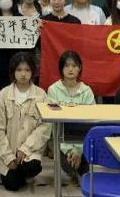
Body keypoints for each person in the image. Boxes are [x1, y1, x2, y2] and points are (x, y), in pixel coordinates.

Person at [0, 52, 51, 191]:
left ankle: (25, 172)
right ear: (13, 72)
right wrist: (8, 157)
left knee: (32, 167)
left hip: (30, 152)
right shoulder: (3, 95)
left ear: (33, 71)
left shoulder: (41, 95)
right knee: (12, 185)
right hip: (8, 152)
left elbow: (45, 127)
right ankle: (16, 173)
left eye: (27, 70)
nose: (23, 74)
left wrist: (26, 148)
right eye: (19, 70)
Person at [46, 51, 94, 182]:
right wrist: (68, 150)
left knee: (84, 171)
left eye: (74, 65)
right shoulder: (53, 90)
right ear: (61, 69)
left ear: (79, 68)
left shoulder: (87, 91)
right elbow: (52, 123)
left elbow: (90, 123)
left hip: (82, 140)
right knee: (68, 166)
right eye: (66, 66)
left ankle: (79, 167)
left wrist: (78, 150)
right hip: (60, 140)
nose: (70, 69)